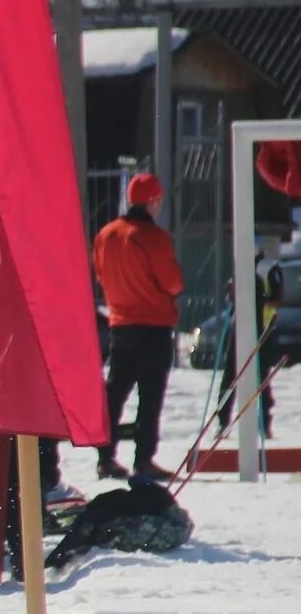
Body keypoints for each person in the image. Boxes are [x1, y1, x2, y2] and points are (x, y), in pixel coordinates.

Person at [94, 171, 184, 480]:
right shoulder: (154, 238)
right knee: (150, 395)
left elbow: (100, 275)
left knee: (116, 390)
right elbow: (172, 283)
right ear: (155, 201)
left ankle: (105, 456)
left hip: (120, 324)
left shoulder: (107, 234)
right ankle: (143, 459)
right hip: (153, 326)